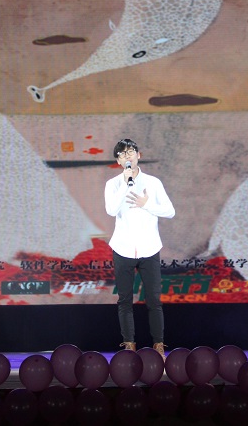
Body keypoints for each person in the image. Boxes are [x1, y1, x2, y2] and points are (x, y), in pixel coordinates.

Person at [104, 138, 175, 358]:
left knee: (154, 300)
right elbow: (111, 210)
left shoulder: (153, 183)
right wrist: (125, 185)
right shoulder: (113, 184)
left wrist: (147, 204)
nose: (127, 156)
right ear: (118, 161)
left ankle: (158, 345)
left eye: (131, 152)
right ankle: (129, 345)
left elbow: (170, 211)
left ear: (139, 155)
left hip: (149, 248)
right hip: (123, 248)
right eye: (122, 154)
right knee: (125, 300)